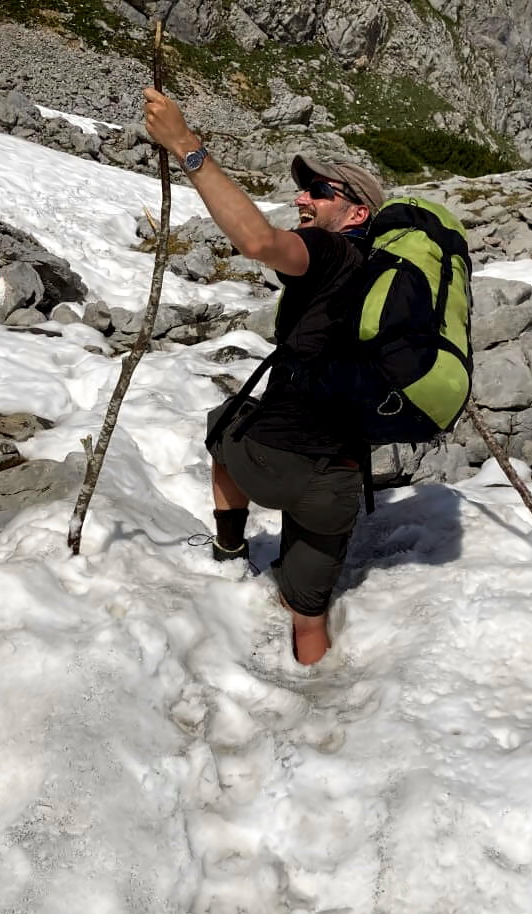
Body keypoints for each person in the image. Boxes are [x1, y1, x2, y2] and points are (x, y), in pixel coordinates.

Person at [142, 87, 386, 666]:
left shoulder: (328, 251)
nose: (302, 197)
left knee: (223, 422)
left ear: (356, 214)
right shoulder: (377, 272)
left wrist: (184, 143)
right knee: (308, 615)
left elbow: (255, 241)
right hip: (339, 479)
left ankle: (229, 549)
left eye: (319, 191)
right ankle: (322, 699)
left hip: (277, 459)